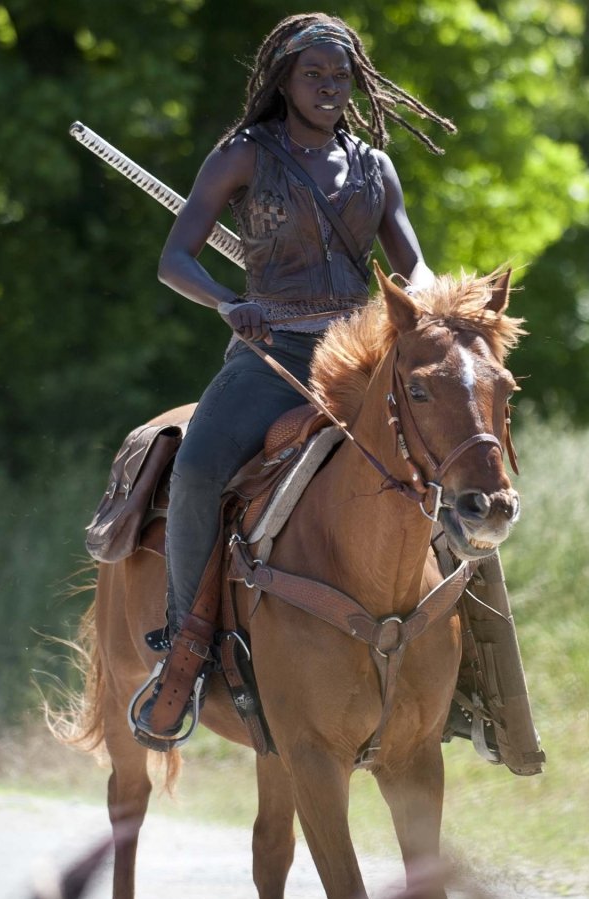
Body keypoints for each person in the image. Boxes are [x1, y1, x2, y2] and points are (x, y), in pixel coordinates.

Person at [131, 13, 543, 775]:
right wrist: (228, 303)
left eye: (341, 75)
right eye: (315, 74)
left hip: (361, 357)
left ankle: (475, 686)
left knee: (459, 487)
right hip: (271, 352)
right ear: (284, 80)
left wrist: (433, 311)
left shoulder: (375, 169)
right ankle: (187, 652)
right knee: (195, 472)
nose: (330, 87)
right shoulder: (243, 157)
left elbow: (411, 266)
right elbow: (174, 259)